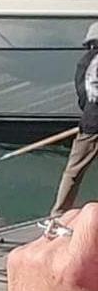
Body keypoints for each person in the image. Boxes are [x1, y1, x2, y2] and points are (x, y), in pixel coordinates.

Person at [54, 24, 98, 215]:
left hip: (89, 122)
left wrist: (88, 112)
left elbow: (82, 95)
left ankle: (58, 214)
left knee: (73, 171)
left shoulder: (83, 62)